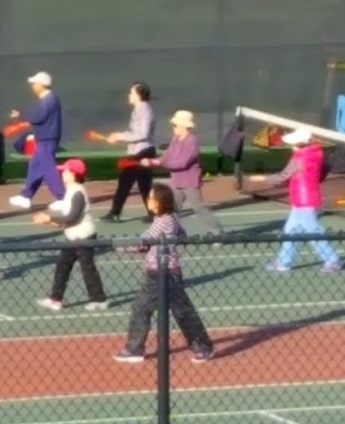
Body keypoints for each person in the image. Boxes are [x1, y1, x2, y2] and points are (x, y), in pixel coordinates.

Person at [114, 184, 214, 364]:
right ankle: (201, 346)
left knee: (178, 311)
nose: (148, 201)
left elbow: (144, 242)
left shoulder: (164, 221)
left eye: (152, 198)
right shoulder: (169, 219)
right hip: (157, 273)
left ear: (161, 202)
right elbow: (181, 234)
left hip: (165, 274)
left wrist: (120, 246)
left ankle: (135, 349)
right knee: (147, 308)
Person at [249, 127, 341, 273]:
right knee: (291, 230)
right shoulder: (317, 153)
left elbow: (283, 176)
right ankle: (284, 262)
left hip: (303, 200)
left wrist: (261, 178)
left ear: (299, 144)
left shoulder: (299, 158)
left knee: (313, 231)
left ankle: (332, 260)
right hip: (305, 198)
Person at [33, 158, 108, 312]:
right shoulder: (71, 191)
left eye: (65, 171)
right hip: (72, 236)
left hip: (84, 237)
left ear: (73, 174)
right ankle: (56, 299)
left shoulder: (78, 192)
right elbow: (68, 220)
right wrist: (49, 222)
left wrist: (49, 218)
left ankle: (99, 299)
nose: (62, 173)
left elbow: (72, 217)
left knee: (87, 268)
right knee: (63, 266)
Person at [141, 110, 223, 236]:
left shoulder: (192, 142)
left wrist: (158, 163)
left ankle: (217, 233)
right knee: (172, 208)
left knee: (198, 207)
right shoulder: (175, 139)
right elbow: (167, 156)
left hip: (189, 181)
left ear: (183, 126)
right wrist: (152, 162)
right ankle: (172, 232)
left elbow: (182, 163)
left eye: (175, 125)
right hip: (176, 180)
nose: (173, 127)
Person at [101, 82, 157, 223]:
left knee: (141, 185)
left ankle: (153, 213)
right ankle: (116, 212)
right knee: (127, 184)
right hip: (137, 152)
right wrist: (118, 135)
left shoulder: (144, 110)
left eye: (131, 93)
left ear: (138, 95)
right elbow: (133, 132)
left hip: (143, 152)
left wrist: (120, 136)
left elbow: (142, 133)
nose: (129, 95)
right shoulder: (138, 109)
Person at [8, 72, 64, 210]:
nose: (33, 86)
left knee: (48, 170)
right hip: (43, 140)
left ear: (41, 85)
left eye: (34, 83)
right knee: (35, 167)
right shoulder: (48, 100)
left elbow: (37, 117)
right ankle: (26, 196)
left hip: (47, 140)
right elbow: (39, 118)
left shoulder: (48, 100)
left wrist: (20, 116)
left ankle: (62, 197)